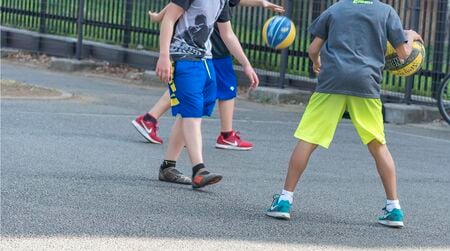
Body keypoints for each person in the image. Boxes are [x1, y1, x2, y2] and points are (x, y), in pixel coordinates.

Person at [266, 0, 422, 228]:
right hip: (366, 83)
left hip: (332, 80)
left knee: (308, 139)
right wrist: (409, 34)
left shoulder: (336, 9)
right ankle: (394, 208)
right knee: (378, 145)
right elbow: (403, 52)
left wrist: (316, 61)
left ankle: (284, 201)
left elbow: (312, 49)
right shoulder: (386, 12)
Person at [132, 0, 284, 150]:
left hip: (206, 43)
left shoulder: (222, 5)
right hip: (201, 46)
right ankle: (222, 138)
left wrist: (158, 16)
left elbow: (227, 28)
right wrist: (164, 53)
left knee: (192, 93)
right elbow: (175, 9)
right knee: (198, 92)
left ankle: (158, 125)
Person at [154, 0, 259, 188]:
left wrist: (246, 64)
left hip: (206, 59)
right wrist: (164, 56)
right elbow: (169, 18)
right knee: (192, 115)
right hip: (183, 57)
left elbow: (227, 33)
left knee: (190, 113)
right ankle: (199, 169)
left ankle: (168, 167)